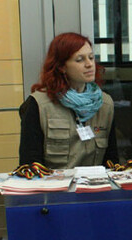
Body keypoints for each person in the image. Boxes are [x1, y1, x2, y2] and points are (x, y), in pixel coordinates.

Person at [19, 32, 118, 169]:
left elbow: (112, 161)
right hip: (53, 187)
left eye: (91, 57)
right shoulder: (39, 105)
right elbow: (29, 164)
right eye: (79, 60)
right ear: (61, 66)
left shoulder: (105, 104)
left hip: (95, 187)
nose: (89, 64)